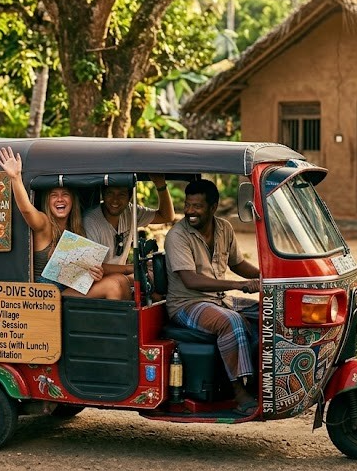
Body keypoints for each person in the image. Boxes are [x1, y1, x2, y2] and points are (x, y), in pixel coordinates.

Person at [164, 179, 261, 416]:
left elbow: (237, 263)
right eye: (187, 205)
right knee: (230, 321)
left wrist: (266, 276)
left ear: (213, 207)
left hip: (219, 299)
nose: (190, 211)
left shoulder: (224, 228)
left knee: (266, 311)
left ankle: (258, 380)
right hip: (187, 304)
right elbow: (191, 281)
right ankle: (238, 393)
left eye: (197, 206)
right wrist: (238, 285)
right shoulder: (177, 235)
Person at [0, 146, 130, 300]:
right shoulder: (45, 223)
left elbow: (82, 274)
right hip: (46, 297)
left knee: (121, 280)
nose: (60, 199)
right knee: (113, 285)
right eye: (54, 195)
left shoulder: (76, 228)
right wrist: (15, 178)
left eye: (65, 194)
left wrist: (95, 274)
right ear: (48, 201)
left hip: (67, 292)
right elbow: (26, 210)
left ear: (72, 200)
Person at [83, 176, 176, 274]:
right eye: (110, 193)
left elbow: (167, 216)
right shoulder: (90, 221)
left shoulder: (130, 211)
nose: (115, 200)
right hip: (98, 279)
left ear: (129, 197)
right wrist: (131, 268)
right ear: (103, 194)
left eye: (121, 195)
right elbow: (91, 266)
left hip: (120, 276)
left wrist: (160, 185)